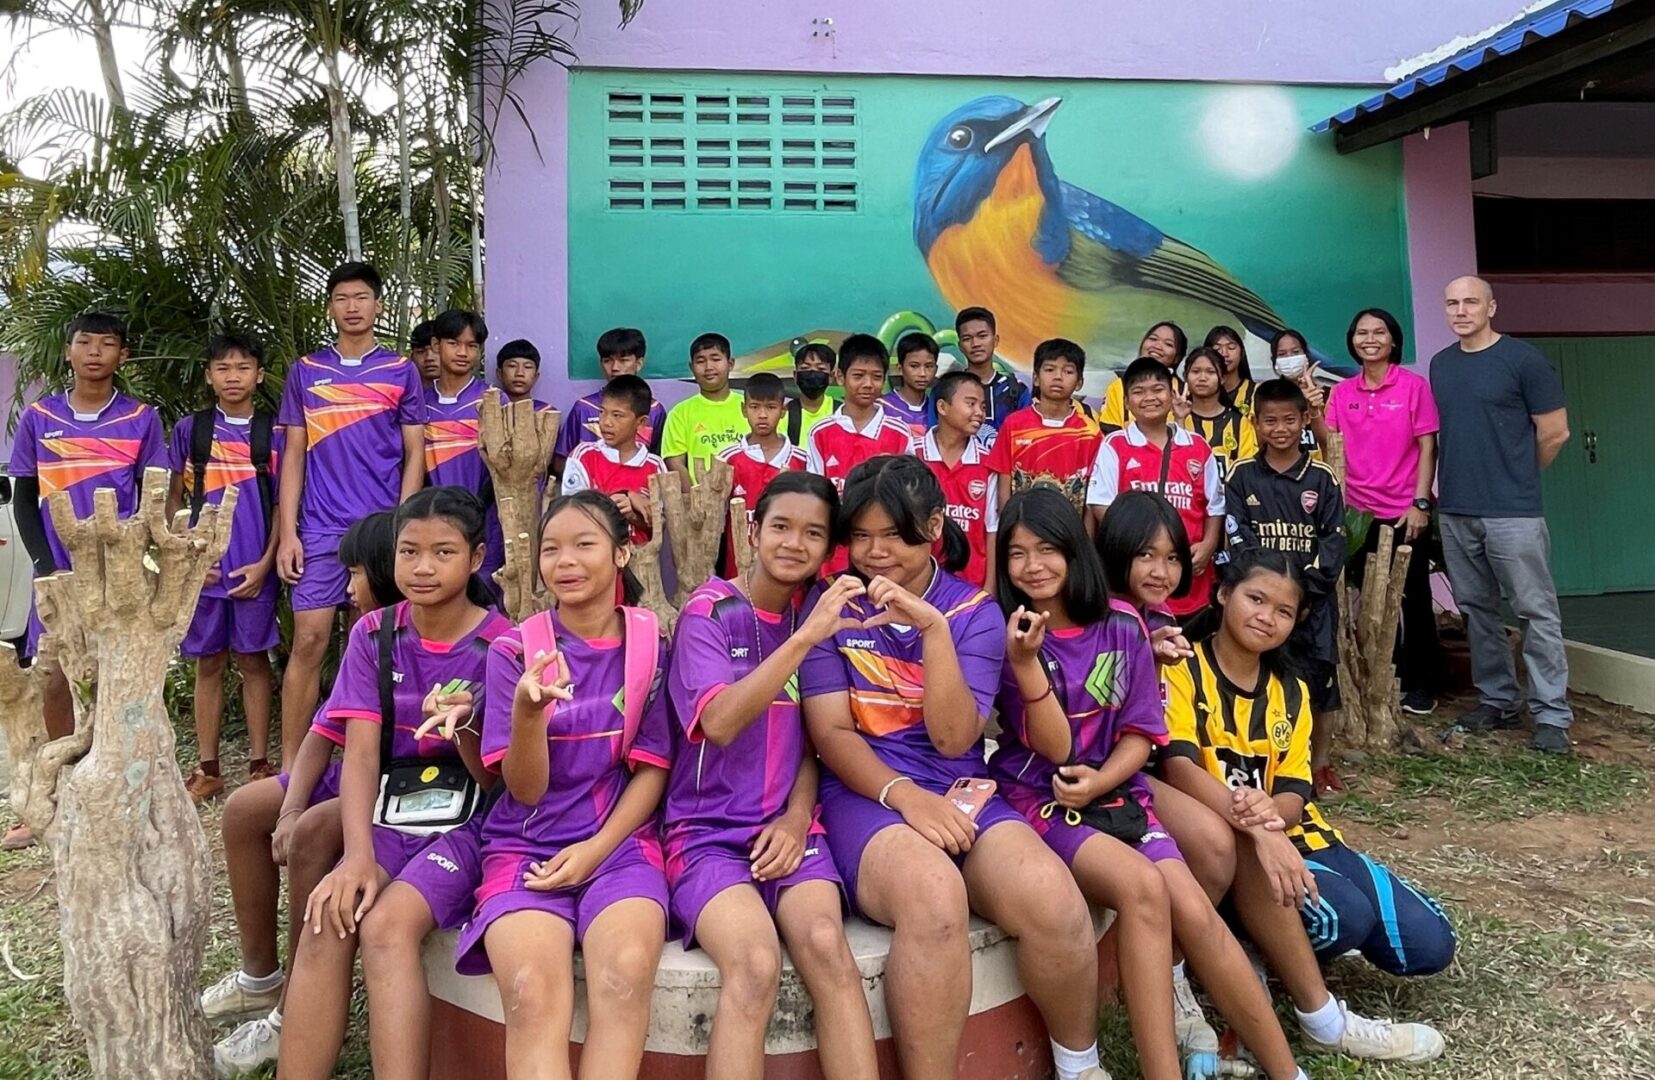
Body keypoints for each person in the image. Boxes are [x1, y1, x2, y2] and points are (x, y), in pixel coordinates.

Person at [800, 455, 1107, 1080]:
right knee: (935, 899)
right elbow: (830, 733)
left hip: (960, 786)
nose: (874, 553)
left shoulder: (971, 613)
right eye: (861, 536)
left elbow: (953, 738)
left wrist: (934, 631)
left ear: (934, 525)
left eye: (892, 535)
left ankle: (1081, 1066)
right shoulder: (831, 606)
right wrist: (906, 798)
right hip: (869, 794)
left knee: (1056, 903)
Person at [990, 488, 1307, 1080]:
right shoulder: (1009, 637)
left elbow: (1140, 730)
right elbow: (1054, 749)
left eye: (1048, 549)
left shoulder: (1123, 624)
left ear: (1076, 550)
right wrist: (1024, 660)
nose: (1033, 566)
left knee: (1196, 909)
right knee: (1143, 889)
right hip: (1043, 799)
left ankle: (1289, 1072)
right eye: (1016, 553)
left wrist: (1105, 778)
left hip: (1120, 792)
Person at [1161, 549, 1454, 1064]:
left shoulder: (1292, 692)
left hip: (1296, 833)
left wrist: (1271, 823)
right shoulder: (1182, 670)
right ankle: (1256, 955)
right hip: (1224, 843)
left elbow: (1296, 794)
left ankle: (1259, 940)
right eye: (1255, 598)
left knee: (1429, 944)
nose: (1265, 617)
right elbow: (1177, 768)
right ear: (1224, 592)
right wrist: (1259, 829)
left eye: (1282, 610)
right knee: (1344, 919)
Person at [277, 487, 511, 1080]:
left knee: (386, 928)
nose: (423, 567)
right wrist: (356, 856)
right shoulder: (375, 633)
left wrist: (466, 726)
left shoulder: (503, 645)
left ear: (476, 558)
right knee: (329, 911)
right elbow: (358, 754)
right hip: (392, 813)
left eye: (442, 552)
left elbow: (499, 778)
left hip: (470, 825)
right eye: (409, 552)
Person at [663, 472, 879, 1079]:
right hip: (704, 833)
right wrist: (806, 637)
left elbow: (816, 742)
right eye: (781, 526)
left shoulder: (823, 612)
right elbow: (722, 721)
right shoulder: (709, 612)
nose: (794, 543)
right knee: (755, 965)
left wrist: (793, 816)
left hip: (788, 824)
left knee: (828, 952)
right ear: (753, 531)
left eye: (814, 533)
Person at [454, 490, 671, 1080]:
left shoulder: (651, 643)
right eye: (551, 549)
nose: (565, 561)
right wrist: (528, 716)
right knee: (529, 990)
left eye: (584, 545)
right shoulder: (515, 651)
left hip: (619, 847)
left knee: (624, 974)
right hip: (526, 846)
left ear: (622, 556)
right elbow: (523, 791)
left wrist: (596, 852)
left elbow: (653, 768)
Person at [206, 512, 400, 1077]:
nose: (345, 587)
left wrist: (304, 816)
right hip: (355, 773)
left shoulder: (431, 631)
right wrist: (289, 806)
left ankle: (296, 1010)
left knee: (315, 833)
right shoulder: (367, 633)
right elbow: (324, 730)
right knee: (246, 810)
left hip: (396, 789)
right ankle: (259, 980)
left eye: (356, 574)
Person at [5, 311, 166, 850]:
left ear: (123, 354)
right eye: (84, 342)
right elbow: (25, 498)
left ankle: (129, 787)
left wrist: (143, 562)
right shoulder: (40, 417)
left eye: (108, 343)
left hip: (118, 576)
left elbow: (154, 498)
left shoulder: (143, 419)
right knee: (55, 678)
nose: (95, 351)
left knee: (125, 679)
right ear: (68, 351)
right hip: (58, 574)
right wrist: (45, 567)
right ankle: (61, 786)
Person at [275, 261, 425, 770]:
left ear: (378, 305)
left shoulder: (401, 370)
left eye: (362, 297)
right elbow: (293, 455)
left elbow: (415, 454)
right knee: (310, 641)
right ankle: (293, 767)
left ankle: (372, 761)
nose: (353, 307)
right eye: (342, 298)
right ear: (331, 307)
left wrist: (402, 527)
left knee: (376, 644)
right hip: (318, 529)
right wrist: (288, 534)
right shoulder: (306, 371)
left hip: (380, 529)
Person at [1431, 276, 1572, 753]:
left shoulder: (1523, 360)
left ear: (1492, 306)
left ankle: (1552, 714)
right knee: (1476, 611)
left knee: (1536, 610)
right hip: (1456, 508)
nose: (1461, 310)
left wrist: (1519, 478)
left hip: (1513, 512)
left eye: (1471, 301)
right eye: (1452, 303)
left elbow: (1555, 432)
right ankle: (1499, 700)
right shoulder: (1441, 365)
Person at [164, 334, 283, 801]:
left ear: (259, 375)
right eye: (223, 368)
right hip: (204, 573)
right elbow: (173, 496)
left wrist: (266, 564)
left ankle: (259, 762)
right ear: (209, 376)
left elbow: (282, 506)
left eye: (243, 367)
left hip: (255, 570)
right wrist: (186, 556)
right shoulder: (190, 431)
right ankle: (208, 767)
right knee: (208, 664)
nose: (233, 377)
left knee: (255, 661)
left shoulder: (275, 432)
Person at [1225, 379, 1347, 793]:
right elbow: (1236, 538)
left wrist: (1303, 598)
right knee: (1261, 678)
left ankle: (1320, 764)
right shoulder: (1241, 477)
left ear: (1305, 420)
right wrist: (1268, 598)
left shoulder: (1322, 478)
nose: (1280, 429)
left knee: (1319, 684)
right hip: (1260, 606)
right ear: (1255, 424)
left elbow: (1332, 542)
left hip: (1313, 607)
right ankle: (1267, 761)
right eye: (1270, 421)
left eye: (1290, 420)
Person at [1326, 307, 1443, 716]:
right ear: (1352, 340)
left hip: (1403, 512)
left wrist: (1420, 503)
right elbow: (1332, 442)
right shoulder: (1342, 393)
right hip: (1358, 514)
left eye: (1379, 332)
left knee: (1412, 598)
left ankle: (1422, 684)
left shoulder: (1413, 387)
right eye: (1361, 332)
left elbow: (1428, 447)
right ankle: (1383, 679)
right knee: (1368, 599)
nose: (1369, 339)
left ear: (1393, 340)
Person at [1085, 358, 1223, 617]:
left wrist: (1208, 544)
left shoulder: (1198, 446)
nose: (1149, 397)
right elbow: (1100, 505)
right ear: (1126, 402)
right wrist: (1137, 541)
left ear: (1172, 395)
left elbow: (1215, 506)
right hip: (1134, 576)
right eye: (1138, 391)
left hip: (1190, 579)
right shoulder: (1115, 445)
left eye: (1157, 390)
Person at [806, 334, 915, 574]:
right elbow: (815, 498)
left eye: (876, 377)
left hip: (883, 553)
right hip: (834, 550)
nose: (868, 384)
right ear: (840, 377)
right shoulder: (820, 433)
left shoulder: (899, 434)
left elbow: (907, 498)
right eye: (858, 376)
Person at [423, 309, 502, 597]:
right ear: (436, 345)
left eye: (472, 346)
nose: (463, 352)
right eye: (454, 343)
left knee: (482, 601)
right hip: (431, 519)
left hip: (484, 521)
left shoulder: (493, 401)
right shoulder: (418, 402)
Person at [985, 338, 1103, 516]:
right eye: (1049, 369)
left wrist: (1084, 541)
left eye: (1068, 371)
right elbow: (1004, 479)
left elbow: (1091, 496)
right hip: (1022, 529)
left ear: (1079, 382)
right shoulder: (1014, 424)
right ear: (1036, 378)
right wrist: (1007, 526)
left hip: (1068, 533)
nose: (1058, 376)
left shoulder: (1090, 432)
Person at [561, 374, 669, 546]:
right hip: (592, 561)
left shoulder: (655, 466)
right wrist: (626, 496)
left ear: (641, 422)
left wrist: (632, 516)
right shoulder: (584, 455)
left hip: (640, 565)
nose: (606, 422)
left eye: (617, 415)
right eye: (602, 412)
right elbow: (572, 510)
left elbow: (658, 526)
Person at [716, 372, 807, 577]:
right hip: (736, 573)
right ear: (743, 409)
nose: (763, 415)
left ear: (783, 411)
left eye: (771, 407)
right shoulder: (727, 459)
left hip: (788, 571)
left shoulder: (802, 460)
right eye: (755, 407)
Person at [552, 327, 667, 481]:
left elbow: (657, 460)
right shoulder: (584, 407)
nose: (615, 368)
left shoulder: (655, 410)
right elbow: (560, 462)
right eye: (607, 361)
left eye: (623, 360)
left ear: (639, 363)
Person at [917, 371, 996, 591]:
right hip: (919, 583)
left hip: (972, 584)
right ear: (942, 407)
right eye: (971, 404)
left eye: (983, 407)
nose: (979, 413)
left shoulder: (988, 464)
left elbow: (992, 530)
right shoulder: (912, 455)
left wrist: (989, 589)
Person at [663, 331, 747, 486]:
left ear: (730, 363)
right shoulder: (680, 413)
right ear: (691, 367)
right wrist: (696, 500)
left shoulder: (751, 407)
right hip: (701, 503)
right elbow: (675, 463)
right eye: (700, 361)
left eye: (715, 359)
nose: (708, 367)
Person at [1176, 346, 1255, 482]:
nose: (1202, 378)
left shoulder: (1239, 423)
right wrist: (1179, 420)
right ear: (1185, 376)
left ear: (1222, 378)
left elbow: (1248, 472)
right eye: (1195, 371)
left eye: (1210, 372)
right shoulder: (1174, 417)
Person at [954, 306, 1030, 433]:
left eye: (982, 336)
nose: (976, 344)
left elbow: (1026, 438)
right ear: (960, 346)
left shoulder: (1017, 391)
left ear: (995, 341)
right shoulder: (947, 390)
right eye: (967, 339)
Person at [1100, 322, 1188, 430]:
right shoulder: (1119, 386)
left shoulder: (1184, 392)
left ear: (1177, 357)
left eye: (1168, 344)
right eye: (1153, 339)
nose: (1157, 346)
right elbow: (1109, 431)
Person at [1269, 329, 1330, 457]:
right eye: (1282, 354)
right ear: (1274, 362)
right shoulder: (1269, 397)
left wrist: (1314, 408)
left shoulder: (1326, 394)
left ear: (1306, 356)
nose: (1290, 358)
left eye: (1296, 352)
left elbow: (1330, 445)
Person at [882, 332, 938, 438]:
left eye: (929, 366)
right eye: (914, 366)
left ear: (936, 369)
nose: (922, 373)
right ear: (900, 368)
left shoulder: (938, 410)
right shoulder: (881, 407)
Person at [786, 341, 839, 445]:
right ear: (796, 376)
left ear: (831, 377)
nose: (812, 374)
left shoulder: (842, 414)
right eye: (805, 368)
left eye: (820, 369)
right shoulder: (784, 414)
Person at [1205, 325, 1255, 414]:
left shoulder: (1256, 392)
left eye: (1231, 347)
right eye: (1217, 349)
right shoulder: (1197, 392)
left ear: (1242, 353)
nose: (1224, 353)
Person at [496, 338, 553, 410]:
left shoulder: (545, 412)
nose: (519, 373)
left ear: (536, 377)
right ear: (499, 373)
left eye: (527, 367)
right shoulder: (486, 411)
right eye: (512, 366)